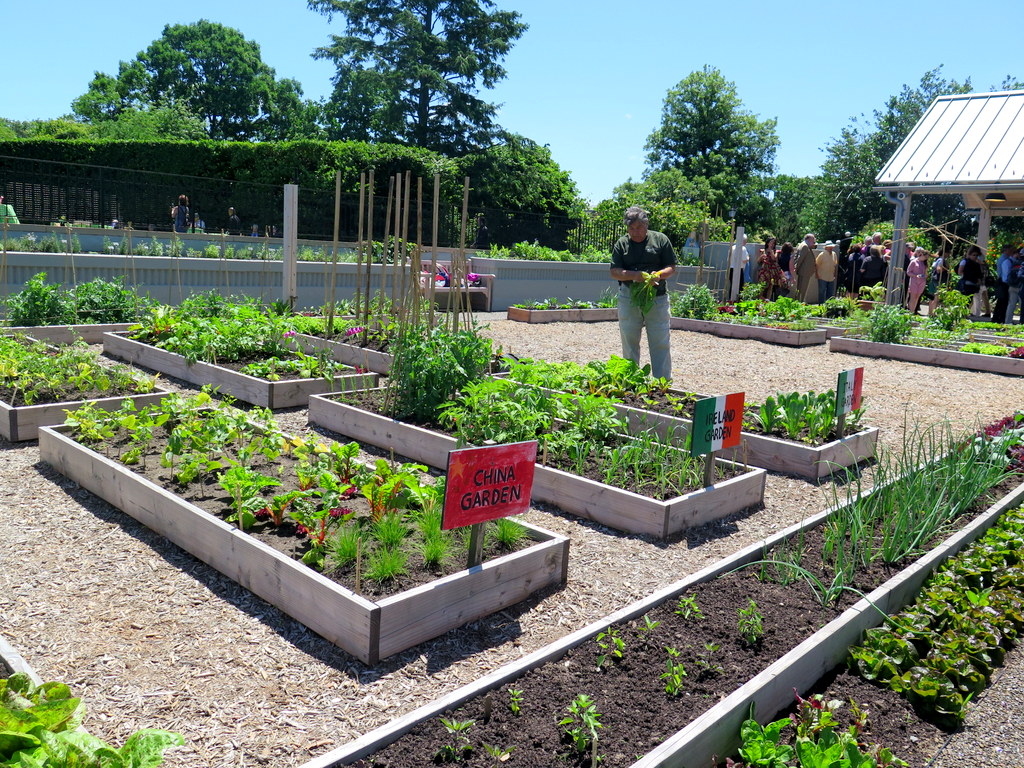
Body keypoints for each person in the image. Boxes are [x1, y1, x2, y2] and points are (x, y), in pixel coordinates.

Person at [610, 206, 676, 380]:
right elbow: (615, 271)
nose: (635, 232)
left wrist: (658, 275)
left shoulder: (660, 240)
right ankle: (631, 380)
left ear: (646, 225)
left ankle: (662, 383)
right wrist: (634, 276)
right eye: (631, 228)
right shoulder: (621, 244)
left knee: (660, 341)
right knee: (629, 341)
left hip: (658, 298)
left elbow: (671, 267)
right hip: (628, 297)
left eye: (638, 227)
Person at [957, 245, 985, 313]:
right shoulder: (965, 261)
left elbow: (980, 274)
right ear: (969, 255)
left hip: (973, 284)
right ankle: (962, 313)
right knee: (964, 300)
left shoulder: (977, 264)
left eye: (976, 255)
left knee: (969, 300)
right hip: (966, 283)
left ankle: (964, 313)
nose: (975, 257)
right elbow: (959, 272)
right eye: (973, 255)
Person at [994, 244, 1016, 323]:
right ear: (1006, 250)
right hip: (1003, 282)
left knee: (1002, 301)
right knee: (1002, 301)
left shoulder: (1003, 258)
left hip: (1002, 281)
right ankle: (998, 318)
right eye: (1011, 250)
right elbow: (1004, 273)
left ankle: (998, 317)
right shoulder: (1004, 259)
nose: (1012, 252)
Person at [793, 233, 818, 303]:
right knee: (802, 289)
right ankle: (799, 303)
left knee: (801, 289)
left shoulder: (805, 245)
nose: (814, 241)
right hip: (804, 272)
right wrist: (796, 269)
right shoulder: (804, 246)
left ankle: (799, 302)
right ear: (808, 239)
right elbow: (800, 259)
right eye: (813, 239)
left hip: (805, 271)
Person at [905, 246, 929, 314]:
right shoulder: (913, 262)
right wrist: (916, 275)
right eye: (925, 257)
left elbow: (926, 274)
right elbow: (908, 272)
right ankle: (910, 311)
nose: (926, 259)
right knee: (913, 297)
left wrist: (925, 275)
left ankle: (913, 310)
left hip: (922, 282)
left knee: (917, 297)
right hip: (914, 281)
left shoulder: (925, 263)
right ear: (921, 255)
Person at [728, 233, 749, 299]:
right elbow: (744, 260)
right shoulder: (743, 248)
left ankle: (730, 300)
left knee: (732, 286)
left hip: (731, 268)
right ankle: (738, 301)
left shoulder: (732, 247)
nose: (745, 243)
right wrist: (748, 257)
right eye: (745, 241)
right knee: (740, 287)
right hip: (739, 269)